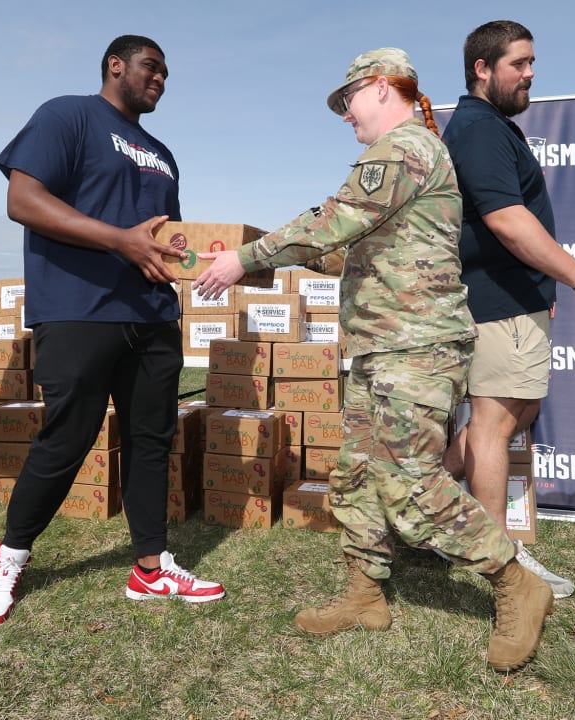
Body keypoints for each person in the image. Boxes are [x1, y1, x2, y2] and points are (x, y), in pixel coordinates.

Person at [195, 48, 552, 673]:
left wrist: (244, 258)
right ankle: (365, 595)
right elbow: (347, 250)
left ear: (382, 88)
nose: (344, 114)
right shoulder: (411, 155)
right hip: (385, 346)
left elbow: (331, 221)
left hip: (414, 347)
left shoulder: (402, 148)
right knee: (358, 475)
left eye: (348, 100)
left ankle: (513, 580)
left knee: (411, 483)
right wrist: (292, 254)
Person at [0, 35, 224, 628]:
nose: (161, 79)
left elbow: (169, 239)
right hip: (79, 308)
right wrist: (119, 240)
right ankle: (8, 558)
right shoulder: (69, 114)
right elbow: (22, 199)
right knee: (68, 437)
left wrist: (219, 262)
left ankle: (150, 566)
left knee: (151, 440)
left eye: (166, 73)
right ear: (116, 65)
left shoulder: (162, 152)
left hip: (153, 315)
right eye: (151, 68)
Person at [440, 20, 575, 601]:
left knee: (506, 418)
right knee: (496, 425)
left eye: (531, 62)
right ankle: (503, 563)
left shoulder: (495, 128)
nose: (530, 73)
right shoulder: (476, 128)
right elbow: (505, 220)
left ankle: (418, 508)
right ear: (482, 68)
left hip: (516, 301)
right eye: (519, 63)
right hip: (496, 301)